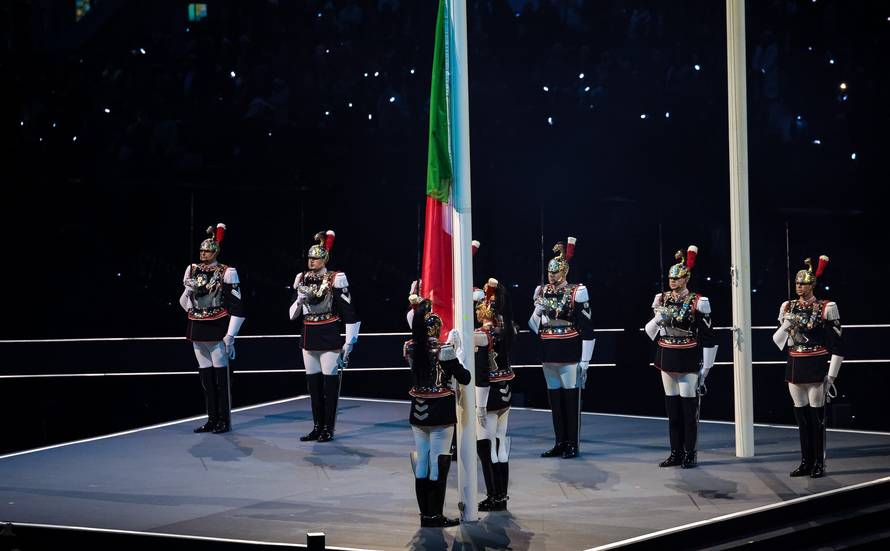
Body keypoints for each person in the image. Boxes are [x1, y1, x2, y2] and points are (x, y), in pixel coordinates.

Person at [644, 245, 717, 469]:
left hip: (687, 356)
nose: (672, 281)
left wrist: (706, 368)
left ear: (686, 278)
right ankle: (675, 452)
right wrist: (658, 318)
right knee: (672, 410)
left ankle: (690, 453)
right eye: (670, 278)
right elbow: (649, 332)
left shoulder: (698, 301)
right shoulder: (661, 299)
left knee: (688, 410)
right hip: (666, 354)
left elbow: (708, 337)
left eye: (676, 278)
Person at [772, 255, 843, 478]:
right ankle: (805, 461)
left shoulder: (826, 307)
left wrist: (831, 376)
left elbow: (838, 345)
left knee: (817, 418)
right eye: (797, 283)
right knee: (801, 418)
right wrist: (787, 324)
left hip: (816, 363)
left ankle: (819, 463)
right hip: (794, 363)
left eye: (803, 283)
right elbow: (778, 342)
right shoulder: (787, 306)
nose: (799, 287)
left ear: (812, 284)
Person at [289, 230, 360, 443]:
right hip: (309, 335)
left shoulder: (335, 279)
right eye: (310, 258)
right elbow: (292, 315)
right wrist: (300, 300)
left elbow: (350, 312)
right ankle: (316, 426)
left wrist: (350, 341)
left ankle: (329, 428)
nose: (312, 261)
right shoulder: (301, 278)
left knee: (329, 386)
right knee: (313, 386)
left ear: (325, 258)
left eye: (316, 257)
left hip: (329, 335)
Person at [405, 299, 471, 528]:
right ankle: (435, 514)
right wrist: (457, 353)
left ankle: (425, 515)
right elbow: (465, 377)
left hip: (418, 409)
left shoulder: (411, 347)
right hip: (440, 411)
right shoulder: (444, 351)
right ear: (438, 329)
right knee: (439, 461)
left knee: (422, 461)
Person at [528, 237, 595, 459]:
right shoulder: (541, 291)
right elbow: (532, 327)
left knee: (570, 400)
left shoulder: (578, 291)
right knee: (555, 402)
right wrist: (537, 312)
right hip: (548, 351)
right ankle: (559, 442)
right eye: (550, 272)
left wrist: (585, 361)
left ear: (564, 271)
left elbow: (587, 328)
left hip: (569, 350)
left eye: (555, 272)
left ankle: (572, 444)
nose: (552, 276)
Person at [179, 223, 246, 434]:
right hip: (197, 326)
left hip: (217, 326)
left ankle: (224, 420)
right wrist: (187, 291)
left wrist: (230, 335)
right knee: (206, 380)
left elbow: (238, 307)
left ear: (215, 251)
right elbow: (185, 305)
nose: (203, 253)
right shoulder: (192, 269)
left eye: (207, 250)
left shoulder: (226, 271)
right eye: (201, 250)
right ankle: (211, 418)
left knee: (221, 380)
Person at [473, 278, 516, 511]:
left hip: (489, 397)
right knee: (500, 443)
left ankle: (493, 496)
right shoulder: (508, 328)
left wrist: (479, 406)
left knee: (486, 446)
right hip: (505, 393)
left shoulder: (482, 335)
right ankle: (501, 495)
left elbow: (481, 375)